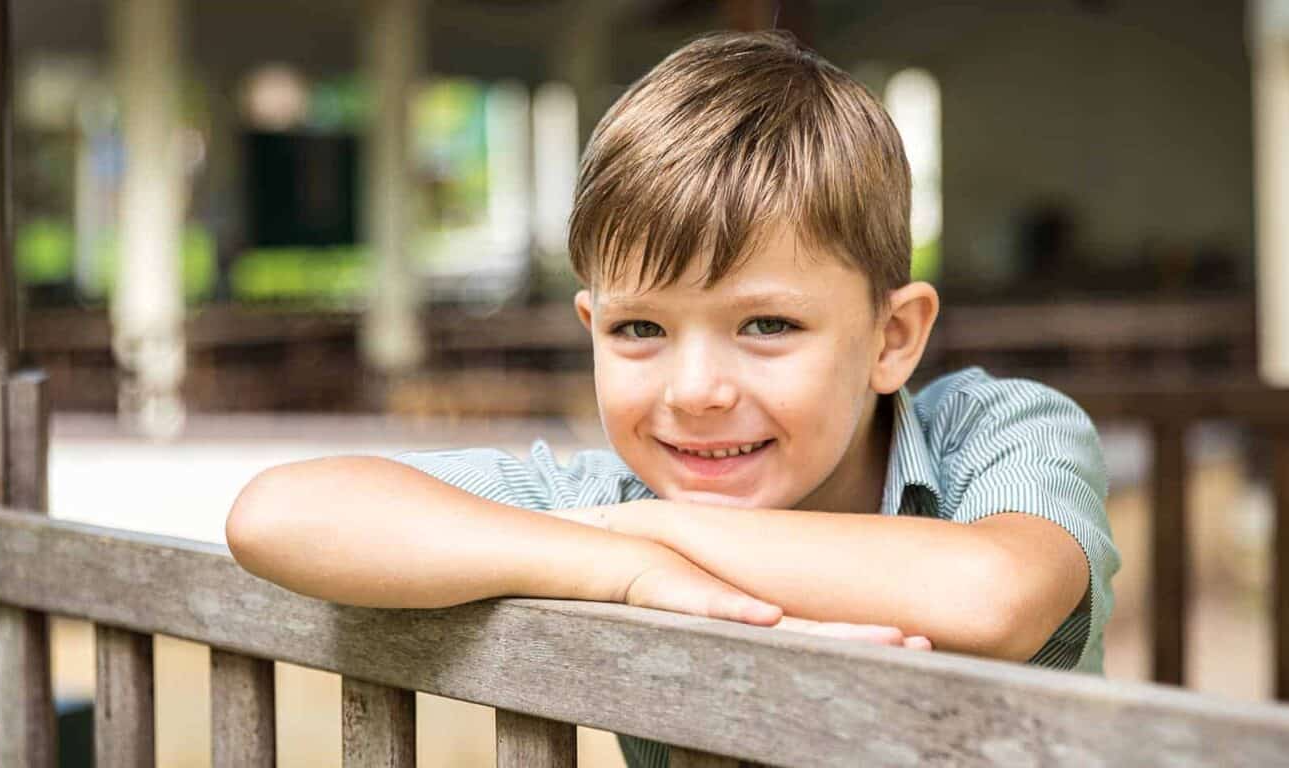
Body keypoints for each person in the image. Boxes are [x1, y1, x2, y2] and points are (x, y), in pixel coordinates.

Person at [226, 30, 1119, 766]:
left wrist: (635, 535)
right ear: (590, 325)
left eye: (767, 326)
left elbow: (992, 596)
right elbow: (278, 513)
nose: (695, 393)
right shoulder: (614, 514)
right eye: (640, 331)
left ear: (893, 338)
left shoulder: (999, 433)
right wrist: (622, 569)